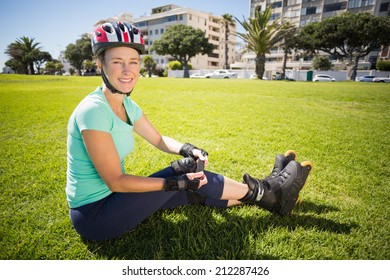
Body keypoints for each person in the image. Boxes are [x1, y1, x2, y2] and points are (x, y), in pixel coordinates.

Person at [66, 22, 312, 241]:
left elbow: (159, 139)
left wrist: (188, 148)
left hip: (116, 200)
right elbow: (116, 181)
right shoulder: (93, 111)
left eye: (133, 62)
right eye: (117, 62)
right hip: (97, 214)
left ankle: (270, 194)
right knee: (185, 174)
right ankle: (271, 193)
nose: (128, 70)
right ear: (100, 64)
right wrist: (173, 183)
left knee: (195, 187)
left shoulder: (126, 105)